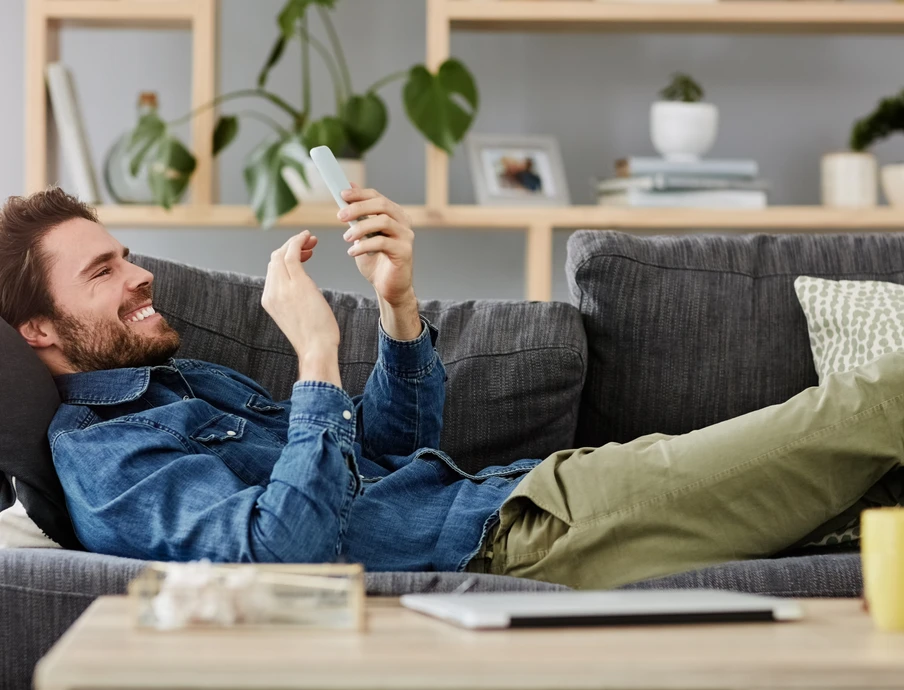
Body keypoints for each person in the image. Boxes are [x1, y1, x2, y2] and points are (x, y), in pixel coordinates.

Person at [0, 186, 902, 590]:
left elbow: (386, 454)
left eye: (125, 254)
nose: (139, 274)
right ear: (38, 329)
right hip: (529, 537)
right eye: (102, 271)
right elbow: (282, 560)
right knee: (856, 412)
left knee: (859, 475)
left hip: (532, 502)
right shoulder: (105, 458)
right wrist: (316, 356)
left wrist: (396, 311)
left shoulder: (179, 386)